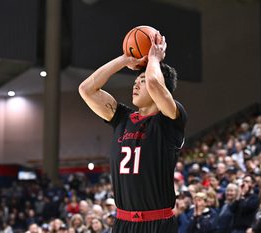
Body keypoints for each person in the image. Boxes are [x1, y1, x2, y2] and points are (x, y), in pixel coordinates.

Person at [79, 30, 187, 233]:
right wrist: (124, 59)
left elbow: (155, 83)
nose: (136, 85)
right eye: (135, 81)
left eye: (142, 81)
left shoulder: (171, 118)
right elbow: (86, 89)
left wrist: (154, 58)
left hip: (157, 223)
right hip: (123, 223)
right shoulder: (122, 118)